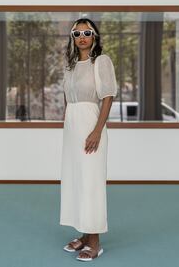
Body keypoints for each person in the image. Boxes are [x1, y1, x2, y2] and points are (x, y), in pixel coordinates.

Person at [60, 18, 118, 261]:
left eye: (87, 32)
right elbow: (68, 98)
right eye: (77, 33)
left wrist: (96, 130)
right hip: (72, 127)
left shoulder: (101, 62)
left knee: (91, 182)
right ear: (72, 38)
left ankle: (94, 242)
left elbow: (107, 96)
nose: (82, 36)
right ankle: (84, 234)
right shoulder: (70, 65)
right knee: (76, 180)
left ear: (94, 36)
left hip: (91, 124)